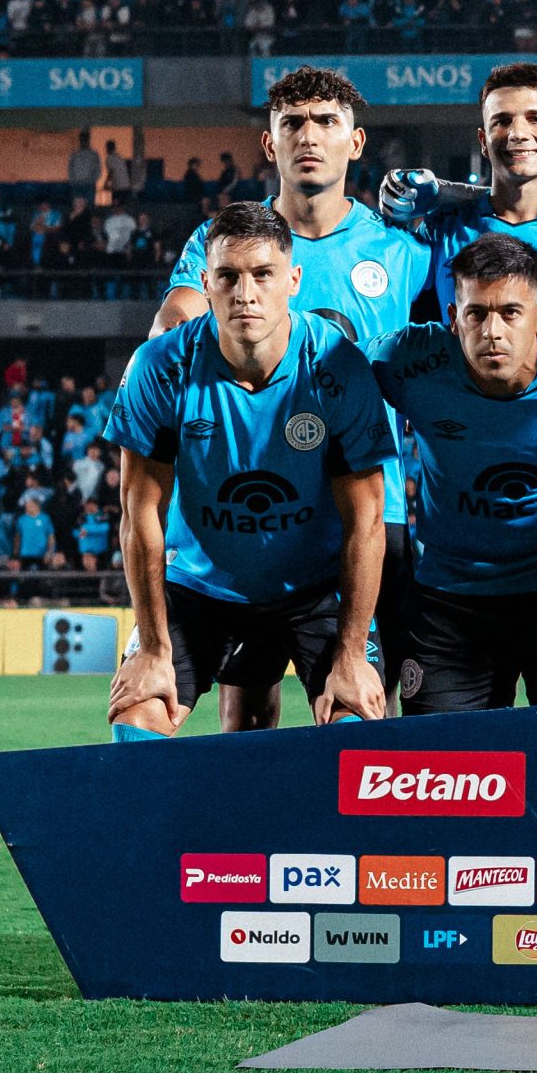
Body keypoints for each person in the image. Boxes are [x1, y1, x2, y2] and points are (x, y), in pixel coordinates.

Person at [153, 67, 429, 729]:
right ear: (269, 143)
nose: (310, 136)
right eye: (293, 123)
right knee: (246, 708)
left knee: (363, 698)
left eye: (327, 122)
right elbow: (174, 321)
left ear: (355, 142)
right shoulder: (229, 240)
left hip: (368, 507)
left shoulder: (403, 248)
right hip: (254, 498)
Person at [103, 202, 393, 738]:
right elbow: (139, 515)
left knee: (358, 730)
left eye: (263, 275)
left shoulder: (338, 367)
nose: (245, 294)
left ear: (293, 280)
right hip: (198, 585)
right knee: (136, 720)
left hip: (314, 588)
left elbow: (367, 522)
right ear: (206, 284)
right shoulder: (159, 367)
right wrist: (154, 649)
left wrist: (352, 654)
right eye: (228, 277)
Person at [370, 234, 537, 710]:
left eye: (511, 312)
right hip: (451, 599)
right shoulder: (405, 362)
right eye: (476, 313)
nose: (492, 331)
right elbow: (323, 371)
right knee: (437, 756)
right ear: (453, 318)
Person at [377, 62, 537, 316]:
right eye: (502, 121)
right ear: (483, 140)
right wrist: (391, 222)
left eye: (536, 118)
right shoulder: (443, 228)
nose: (517, 133)